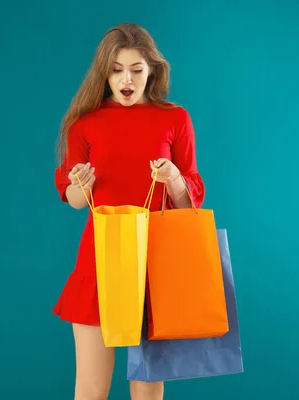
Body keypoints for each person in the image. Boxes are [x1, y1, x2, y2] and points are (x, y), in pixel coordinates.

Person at [52, 22, 205, 400]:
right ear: (105, 72)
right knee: (90, 388)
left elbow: (189, 203)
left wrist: (172, 178)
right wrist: (80, 186)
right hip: (99, 262)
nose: (127, 79)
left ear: (152, 70)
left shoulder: (175, 119)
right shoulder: (84, 124)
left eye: (136, 69)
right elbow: (72, 198)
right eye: (117, 69)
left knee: (148, 387)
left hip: (156, 264)